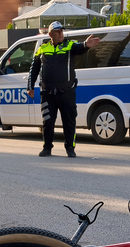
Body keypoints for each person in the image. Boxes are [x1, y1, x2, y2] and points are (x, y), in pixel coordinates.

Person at [26, 21, 99, 158]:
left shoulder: (69, 45)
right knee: (47, 122)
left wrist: (86, 45)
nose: (60, 33)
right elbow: (34, 68)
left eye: (61, 31)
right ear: (50, 34)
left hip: (67, 92)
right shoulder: (42, 48)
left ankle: (70, 148)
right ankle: (47, 148)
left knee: (69, 121)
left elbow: (79, 47)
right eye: (57, 31)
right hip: (47, 93)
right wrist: (30, 87)